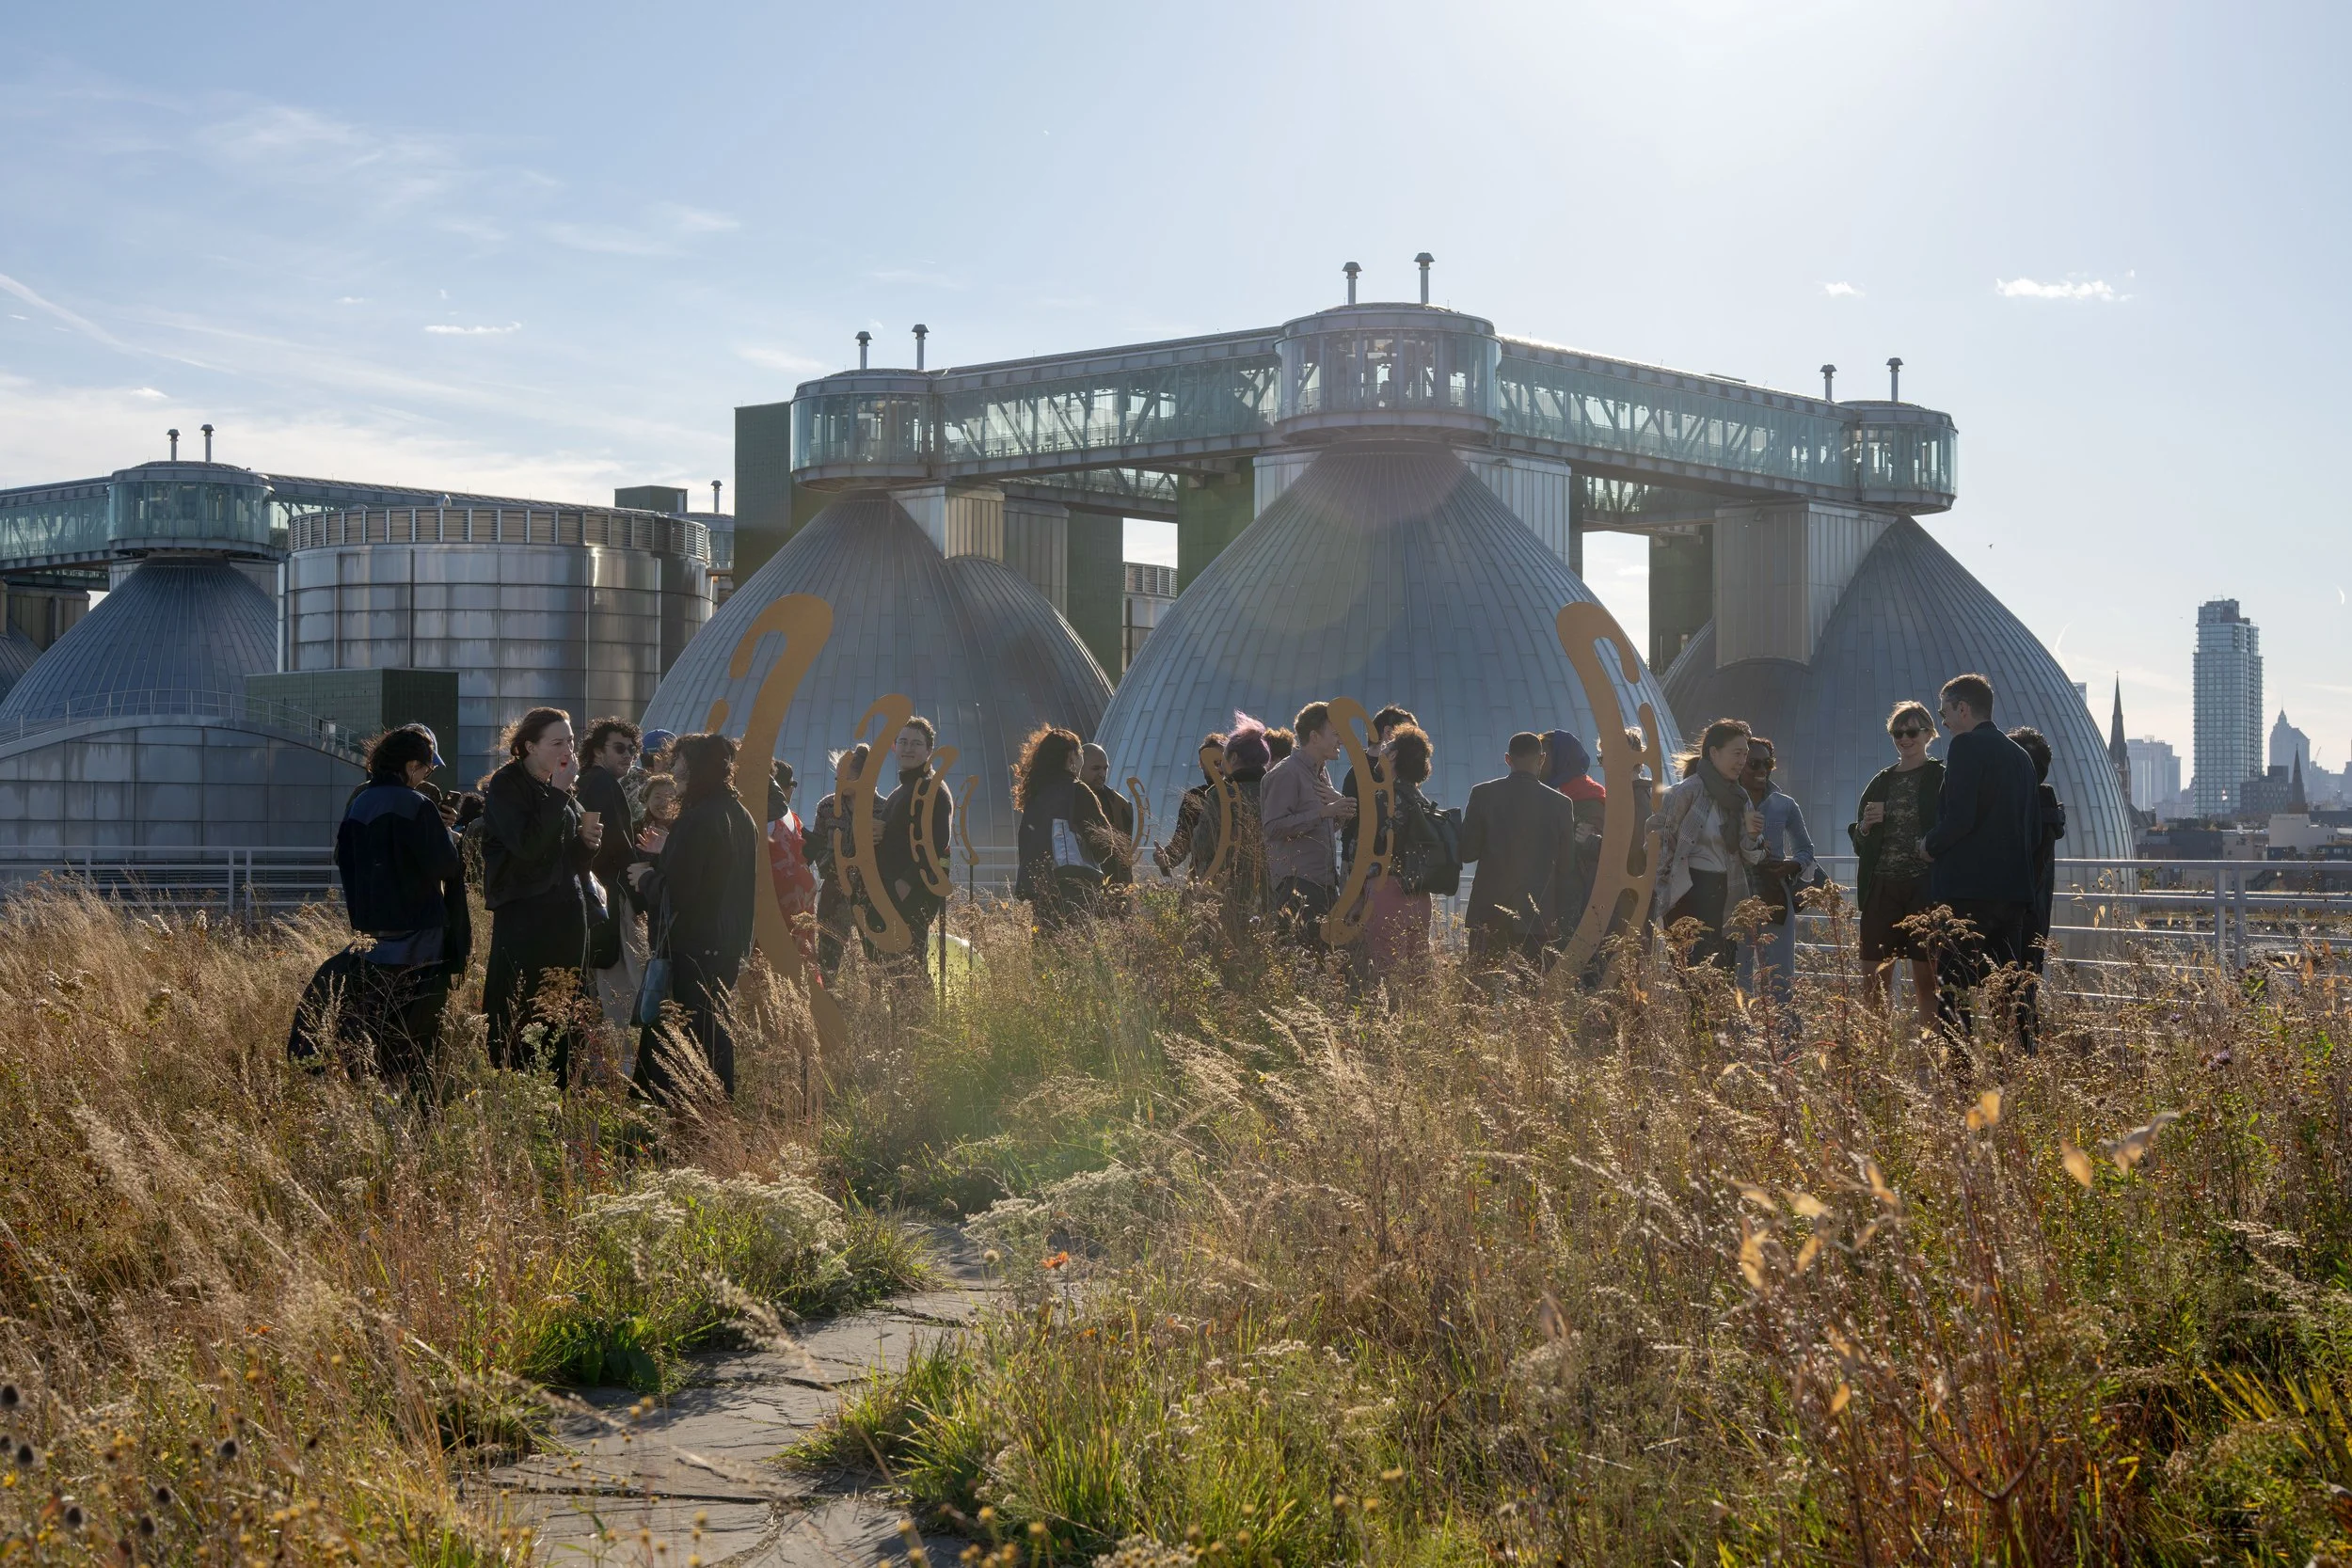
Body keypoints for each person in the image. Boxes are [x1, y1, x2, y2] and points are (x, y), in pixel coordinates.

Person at [313, 723, 469, 1082]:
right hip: (420, 937)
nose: (426, 776)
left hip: (370, 936)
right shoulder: (417, 805)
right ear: (412, 766)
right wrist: (446, 833)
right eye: (427, 769)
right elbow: (447, 866)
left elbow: (345, 860)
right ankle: (411, 1104)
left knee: (372, 1023)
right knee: (415, 1031)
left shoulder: (361, 803)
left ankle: (369, 1090)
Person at [628, 733, 759, 1101]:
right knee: (712, 1034)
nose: (674, 772)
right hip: (726, 945)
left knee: (680, 1038)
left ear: (699, 768)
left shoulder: (697, 818)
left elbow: (683, 891)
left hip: (691, 947)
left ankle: (670, 1121)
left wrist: (648, 878)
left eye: (681, 764)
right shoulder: (739, 814)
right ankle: (715, 1113)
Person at [480, 707, 603, 1084]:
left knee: (565, 1005)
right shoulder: (508, 785)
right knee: (526, 1004)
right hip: (527, 916)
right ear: (529, 746)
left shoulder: (557, 788)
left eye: (570, 740)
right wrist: (559, 793)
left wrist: (587, 844)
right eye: (557, 742)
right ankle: (522, 1083)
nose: (568, 748)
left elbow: (568, 861)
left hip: (565, 912)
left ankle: (563, 1084)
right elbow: (527, 847)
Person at [1920, 673, 2041, 1046]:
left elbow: (1960, 818)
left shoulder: (1966, 747)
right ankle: (2019, 1072)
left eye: (1945, 713)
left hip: (1967, 893)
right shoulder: (2021, 757)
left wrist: (1928, 845)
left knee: (1954, 992)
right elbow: (2032, 830)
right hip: (2013, 895)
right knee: (2010, 993)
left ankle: (1961, 1079)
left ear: (1963, 708)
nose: (1943, 722)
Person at [1851, 701, 1945, 1031]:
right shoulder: (1881, 781)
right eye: (1897, 732)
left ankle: (1930, 1057)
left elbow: (1953, 827)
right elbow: (1859, 838)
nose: (1905, 739)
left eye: (1912, 731)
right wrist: (1864, 827)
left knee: (1926, 979)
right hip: (1882, 887)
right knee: (1874, 979)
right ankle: (1877, 1052)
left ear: (1929, 734)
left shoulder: (1939, 777)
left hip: (1923, 888)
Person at [1458, 731, 1581, 978]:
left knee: (1479, 989)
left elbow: (1467, 852)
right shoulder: (1560, 804)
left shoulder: (1482, 794)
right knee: (1531, 993)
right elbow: (1567, 865)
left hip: (1489, 912)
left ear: (1507, 759)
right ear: (1542, 759)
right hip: (1537, 916)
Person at [1651, 719, 1767, 972]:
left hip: (1726, 891)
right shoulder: (1686, 792)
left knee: (1723, 973)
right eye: (1737, 754)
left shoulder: (1740, 797)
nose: (1742, 762)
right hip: (1689, 891)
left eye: (1745, 755)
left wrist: (1752, 835)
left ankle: (1715, 1013)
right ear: (1714, 753)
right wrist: (1662, 893)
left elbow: (1749, 855)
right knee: (1693, 974)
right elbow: (1661, 841)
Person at [1259, 702, 1358, 948]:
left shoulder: (1320, 773)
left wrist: (1340, 813)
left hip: (1321, 883)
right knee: (1298, 963)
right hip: (1297, 885)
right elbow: (1272, 827)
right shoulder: (1287, 773)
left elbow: (1319, 825)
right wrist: (1324, 812)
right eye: (1335, 734)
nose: (1341, 741)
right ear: (1314, 737)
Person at [1739, 736, 1820, 1014]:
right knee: (1740, 976)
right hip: (1737, 891)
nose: (1762, 769)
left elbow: (1806, 849)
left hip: (1774, 892)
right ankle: (1742, 1042)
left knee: (1781, 977)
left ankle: (1787, 1045)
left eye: (1767, 763)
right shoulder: (1726, 802)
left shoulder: (1785, 805)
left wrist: (1792, 865)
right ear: (1740, 764)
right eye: (1753, 763)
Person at [1015, 727, 1124, 928]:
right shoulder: (1077, 790)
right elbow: (1105, 843)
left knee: (1045, 951)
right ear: (1071, 757)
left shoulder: (1036, 795)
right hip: (1074, 889)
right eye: (1080, 753)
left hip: (1042, 890)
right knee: (1077, 950)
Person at [577, 718, 644, 1028]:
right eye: (620, 748)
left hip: (592, 895)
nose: (629, 755)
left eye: (633, 749)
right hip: (611, 896)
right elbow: (617, 845)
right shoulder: (602, 783)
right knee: (622, 984)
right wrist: (642, 893)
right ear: (597, 750)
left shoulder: (586, 780)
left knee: (598, 987)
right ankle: (621, 1062)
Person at [1364, 723, 1440, 981]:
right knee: (1418, 975)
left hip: (1387, 889)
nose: (1381, 751)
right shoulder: (1423, 802)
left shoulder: (1382, 798)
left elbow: (1367, 849)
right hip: (1420, 894)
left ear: (1394, 755)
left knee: (1386, 972)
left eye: (1387, 747)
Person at [877, 716, 954, 962]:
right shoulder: (902, 791)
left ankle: (920, 1003)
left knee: (908, 967)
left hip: (912, 893)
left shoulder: (933, 789)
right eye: (903, 741)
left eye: (916, 743)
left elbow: (937, 841)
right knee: (896, 967)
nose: (908, 748)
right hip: (894, 892)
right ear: (894, 747)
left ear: (929, 750)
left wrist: (906, 883)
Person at [2008, 724, 2066, 1050]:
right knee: (2024, 990)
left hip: (2016, 914)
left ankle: (2019, 1061)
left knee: (2016, 991)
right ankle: (2023, 1062)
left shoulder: (2027, 805)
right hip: (2034, 917)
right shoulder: (2044, 804)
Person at [807, 745, 876, 981]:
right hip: (835, 891)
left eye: (845, 777)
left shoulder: (882, 808)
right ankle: (828, 1004)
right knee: (828, 956)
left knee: (875, 956)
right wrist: (832, 868)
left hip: (871, 893)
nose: (839, 782)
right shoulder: (827, 807)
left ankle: (876, 1008)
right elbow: (817, 843)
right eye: (837, 777)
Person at [1341, 705, 1416, 864]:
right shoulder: (1358, 772)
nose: (1412, 741)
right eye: (1407, 733)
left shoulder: (1401, 771)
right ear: (1388, 733)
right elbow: (1350, 824)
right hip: (1361, 868)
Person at [767, 761, 820, 967]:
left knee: (786, 965)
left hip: (791, 905)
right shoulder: (779, 817)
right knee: (797, 963)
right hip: (791, 905)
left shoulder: (778, 817)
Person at [1153, 732, 1227, 879]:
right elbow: (1182, 841)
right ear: (1201, 765)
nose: (1215, 768)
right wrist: (1165, 859)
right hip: (1203, 877)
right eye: (1208, 762)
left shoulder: (1239, 792)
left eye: (1218, 762)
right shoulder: (1194, 797)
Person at [1079, 742, 1136, 888]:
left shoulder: (1120, 805)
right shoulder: (1067, 800)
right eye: (1096, 768)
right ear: (1079, 767)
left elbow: (1125, 856)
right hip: (1082, 888)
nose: (1102, 774)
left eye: (1105, 768)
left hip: (1114, 889)